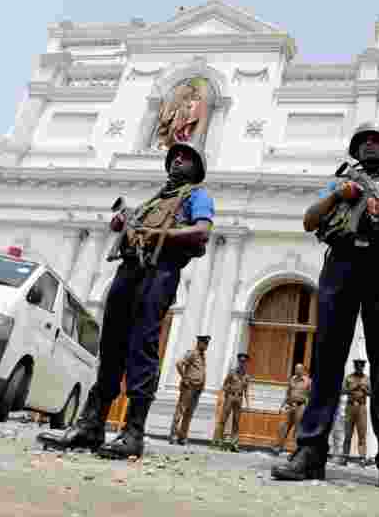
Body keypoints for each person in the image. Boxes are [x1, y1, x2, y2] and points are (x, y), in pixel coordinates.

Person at [271, 121, 379, 498]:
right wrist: (339, 194)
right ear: (356, 148)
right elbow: (310, 218)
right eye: (365, 141)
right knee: (327, 359)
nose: (371, 145)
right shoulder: (339, 181)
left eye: (378, 141)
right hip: (341, 263)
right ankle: (310, 450)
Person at [38, 141, 214, 460]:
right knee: (112, 348)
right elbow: (128, 228)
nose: (177, 161)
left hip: (160, 271)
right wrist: (125, 223)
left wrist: (157, 234)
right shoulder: (154, 200)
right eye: (174, 157)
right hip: (128, 271)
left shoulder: (197, 196)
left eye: (186, 158)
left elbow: (202, 232)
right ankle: (92, 425)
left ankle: (133, 432)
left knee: (142, 346)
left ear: (196, 169)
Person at [169, 335, 210, 445]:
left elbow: (201, 372)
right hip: (189, 387)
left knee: (189, 413)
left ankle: (182, 437)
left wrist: (202, 385)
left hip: (197, 389)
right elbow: (179, 364)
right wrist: (184, 377)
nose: (206, 346)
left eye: (207, 344)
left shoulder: (202, 356)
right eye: (204, 343)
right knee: (181, 410)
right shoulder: (192, 353)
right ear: (199, 343)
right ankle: (173, 435)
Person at [213, 352, 251, 450]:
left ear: (246, 363)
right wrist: (223, 395)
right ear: (238, 362)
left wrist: (248, 403)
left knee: (236, 421)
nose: (242, 363)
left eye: (244, 362)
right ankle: (218, 441)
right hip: (230, 397)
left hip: (239, 398)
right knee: (223, 419)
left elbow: (246, 390)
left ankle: (234, 444)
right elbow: (224, 384)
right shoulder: (232, 372)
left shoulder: (246, 376)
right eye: (241, 361)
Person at [271, 363, 311, 455]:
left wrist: (307, 409)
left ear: (303, 370)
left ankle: (295, 450)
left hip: (300, 406)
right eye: (296, 369)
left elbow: (310, 396)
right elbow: (288, 393)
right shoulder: (292, 379)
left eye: (299, 369)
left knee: (298, 429)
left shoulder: (308, 381)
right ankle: (278, 447)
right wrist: (282, 406)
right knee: (283, 426)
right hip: (290, 406)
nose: (297, 371)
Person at [339, 358, 371, 466]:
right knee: (348, 434)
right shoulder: (349, 377)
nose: (359, 367)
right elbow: (342, 391)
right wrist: (353, 388)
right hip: (350, 406)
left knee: (362, 433)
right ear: (355, 366)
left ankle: (362, 458)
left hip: (362, 407)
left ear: (363, 367)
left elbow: (371, 393)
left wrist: (364, 389)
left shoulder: (366, 378)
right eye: (357, 366)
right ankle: (344, 458)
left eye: (361, 366)